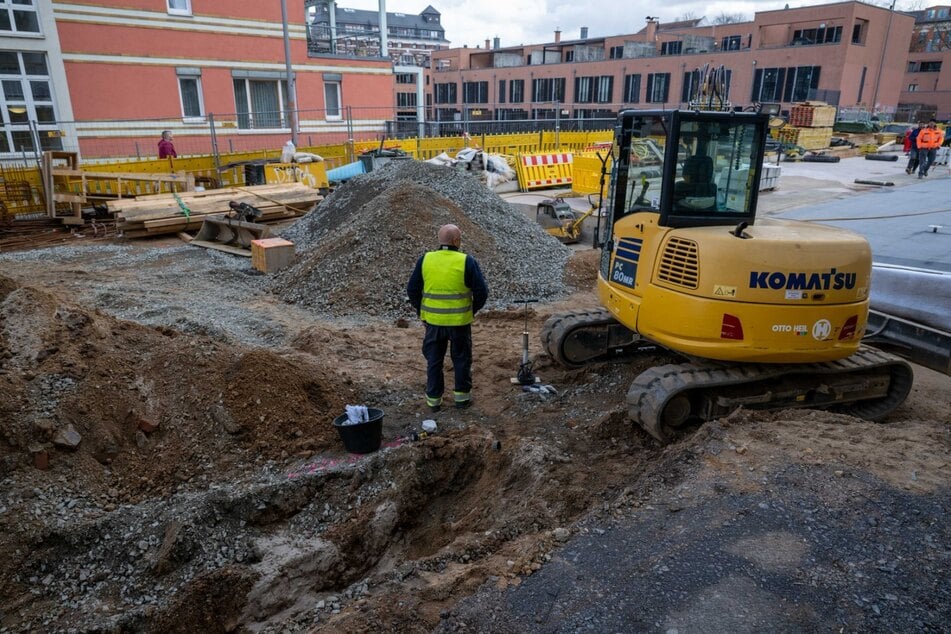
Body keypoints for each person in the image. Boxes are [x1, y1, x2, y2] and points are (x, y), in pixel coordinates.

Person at [406, 224, 488, 412]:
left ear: (439, 240)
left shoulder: (426, 260)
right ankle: (462, 400)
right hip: (459, 323)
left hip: (433, 322)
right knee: (461, 359)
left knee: (434, 361)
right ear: (456, 241)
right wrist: (471, 310)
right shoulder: (466, 261)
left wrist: (422, 312)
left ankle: (434, 401)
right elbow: (482, 292)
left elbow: (412, 290)